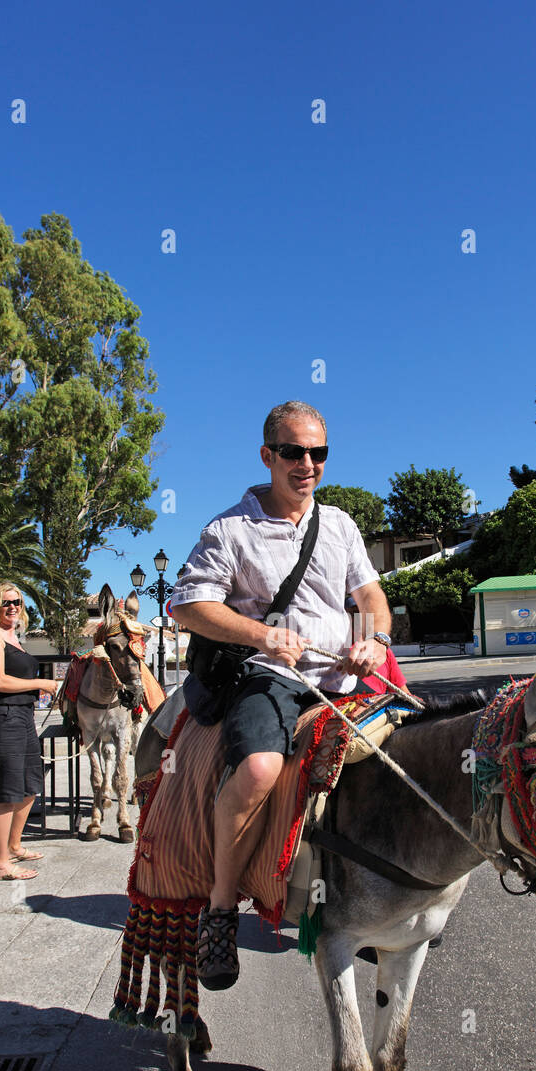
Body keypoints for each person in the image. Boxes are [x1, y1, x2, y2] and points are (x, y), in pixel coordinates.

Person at [169, 400, 394, 990]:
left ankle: (372, 906)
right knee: (262, 767)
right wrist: (263, 634)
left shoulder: (341, 525)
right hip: (266, 676)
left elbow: (370, 600)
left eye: (318, 453)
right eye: (293, 452)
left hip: (341, 679)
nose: (307, 464)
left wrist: (372, 642)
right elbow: (189, 605)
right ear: (267, 455)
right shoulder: (229, 529)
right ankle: (221, 910)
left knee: (399, 767)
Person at [0, 583, 59, 881]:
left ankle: (14, 844)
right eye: (6, 602)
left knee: (31, 783)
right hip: (1, 715)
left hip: (22, 714)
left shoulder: (15, 639)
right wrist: (41, 684)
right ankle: (0, 865)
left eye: (17, 602)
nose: (13, 607)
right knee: (8, 791)